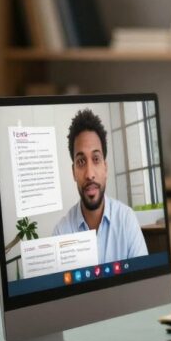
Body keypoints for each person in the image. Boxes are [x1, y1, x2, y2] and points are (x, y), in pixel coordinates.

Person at [53, 108, 148, 264]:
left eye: (96, 159)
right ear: (73, 172)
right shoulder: (61, 233)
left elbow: (143, 283)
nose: (90, 174)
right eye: (81, 162)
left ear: (105, 168)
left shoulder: (126, 220)